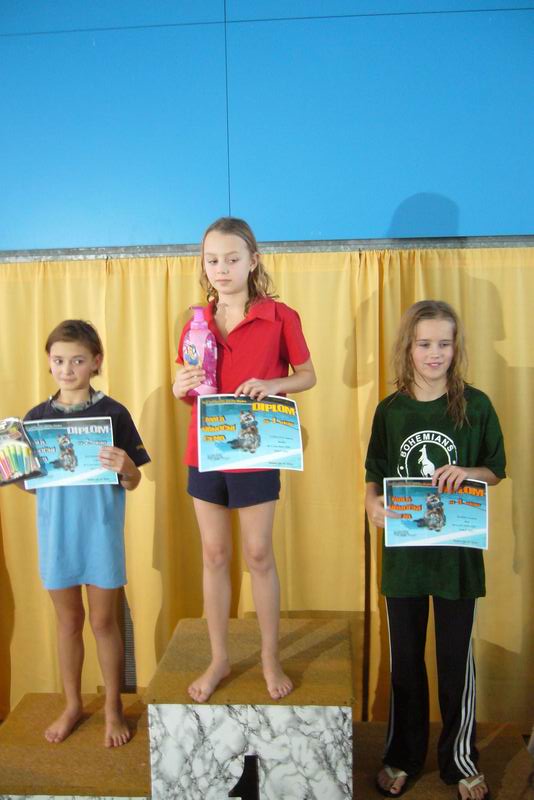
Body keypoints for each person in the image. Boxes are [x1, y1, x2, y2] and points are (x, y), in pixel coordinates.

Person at [365, 300, 505, 800]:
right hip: (404, 559)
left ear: (456, 347)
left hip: (456, 559)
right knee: (405, 663)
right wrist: (371, 505)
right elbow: (375, 473)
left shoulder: (476, 405)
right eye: (424, 343)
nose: (434, 353)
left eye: (444, 344)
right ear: (409, 347)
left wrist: (468, 473)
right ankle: (402, 755)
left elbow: (495, 470)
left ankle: (460, 760)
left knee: (454, 667)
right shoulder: (391, 410)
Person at [173, 216, 316, 703]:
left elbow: (308, 375)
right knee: (214, 555)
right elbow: (189, 389)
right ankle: (219, 658)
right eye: (212, 260)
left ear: (253, 261)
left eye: (232, 259)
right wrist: (178, 387)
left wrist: (273, 384)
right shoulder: (196, 323)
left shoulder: (281, 316)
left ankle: (270, 656)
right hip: (205, 449)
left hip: (258, 449)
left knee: (258, 554)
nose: (222, 268)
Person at [22, 320, 150, 747]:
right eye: (59, 360)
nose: (67, 369)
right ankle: (73, 704)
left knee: (103, 621)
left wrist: (126, 467)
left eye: (77, 361)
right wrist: (13, 469)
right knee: (68, 622)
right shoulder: (35, 419)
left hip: (100, 533)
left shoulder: (114, 413)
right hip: (57, 535)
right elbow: (30, 484)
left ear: (96, 362)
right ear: (49, 362)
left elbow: (133, 481)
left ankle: (113, 707)